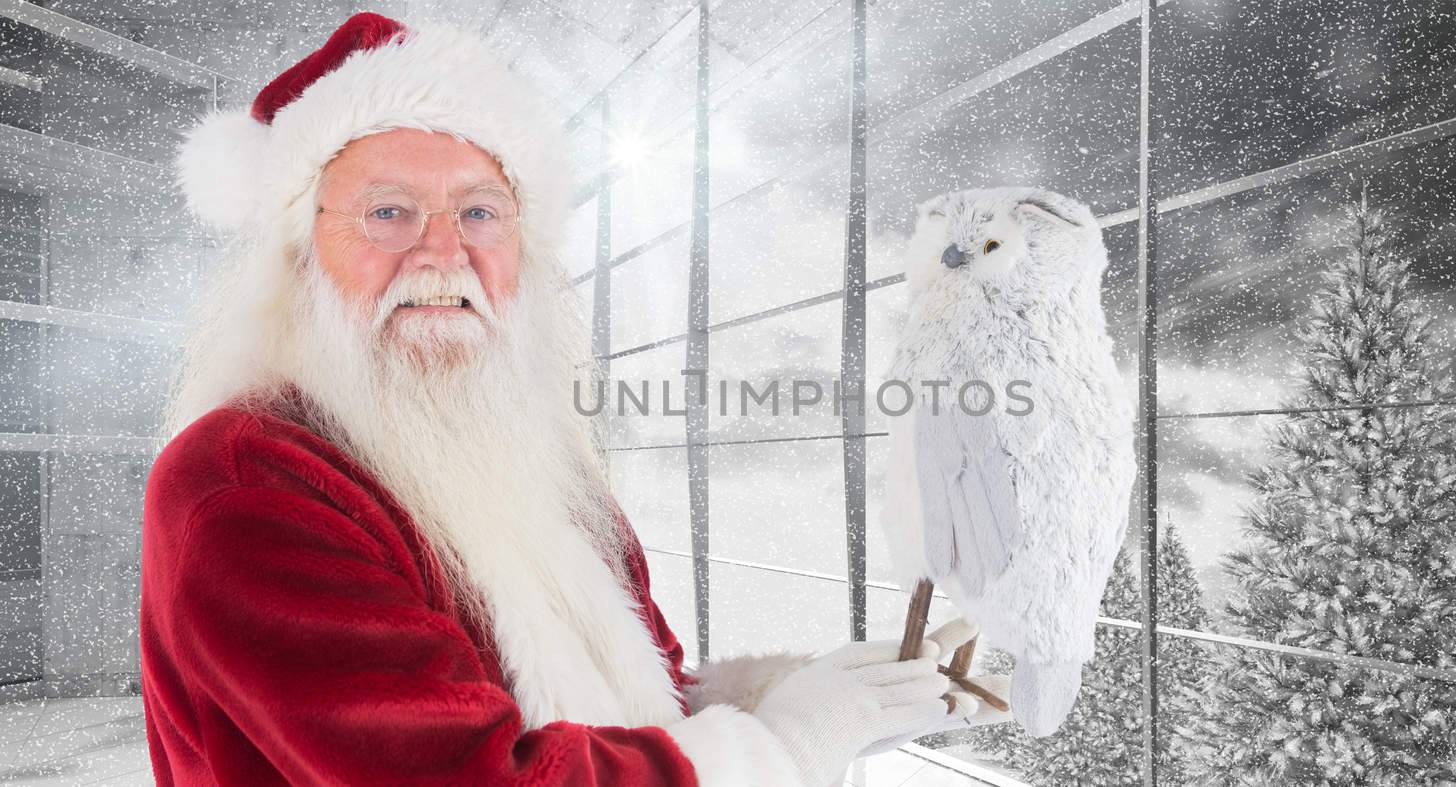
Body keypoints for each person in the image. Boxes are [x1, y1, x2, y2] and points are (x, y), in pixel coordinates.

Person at [139, 12, 1010, 786]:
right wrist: (783, 746)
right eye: (388, 211)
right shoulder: (246, 481)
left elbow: (637, 699)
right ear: (300, 255)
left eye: (481, 213)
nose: (443, 253)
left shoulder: (544, 468)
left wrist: (815, 694)